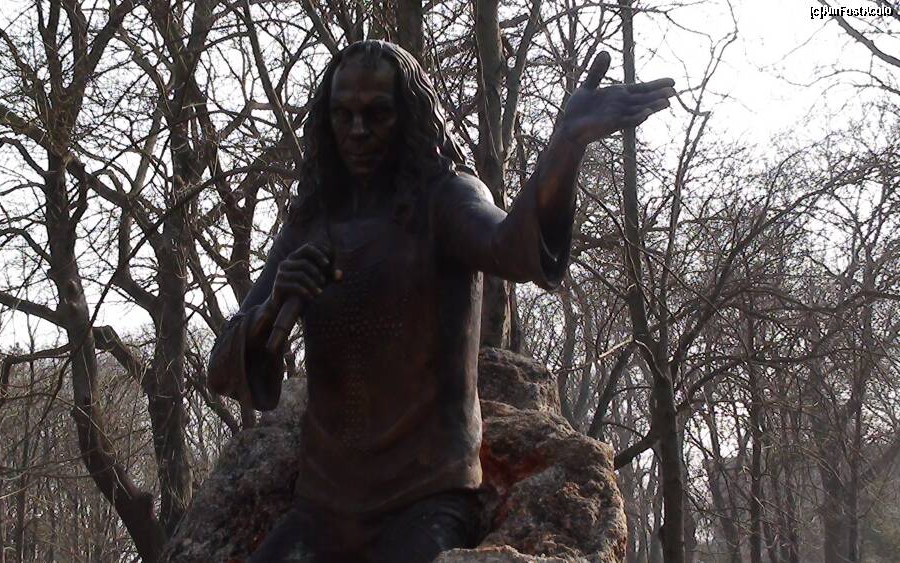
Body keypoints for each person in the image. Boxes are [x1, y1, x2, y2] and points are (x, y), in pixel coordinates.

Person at [207, 40, 674, 563]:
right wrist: (272, 308)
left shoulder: (445, 199)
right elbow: (222, 370)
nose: (357, 130)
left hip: (425, 500)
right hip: (322, 508)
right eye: (343, 114)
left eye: (377, 114)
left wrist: (566, 144)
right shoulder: (312, 221)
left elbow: (512, 248)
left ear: (407, 117)